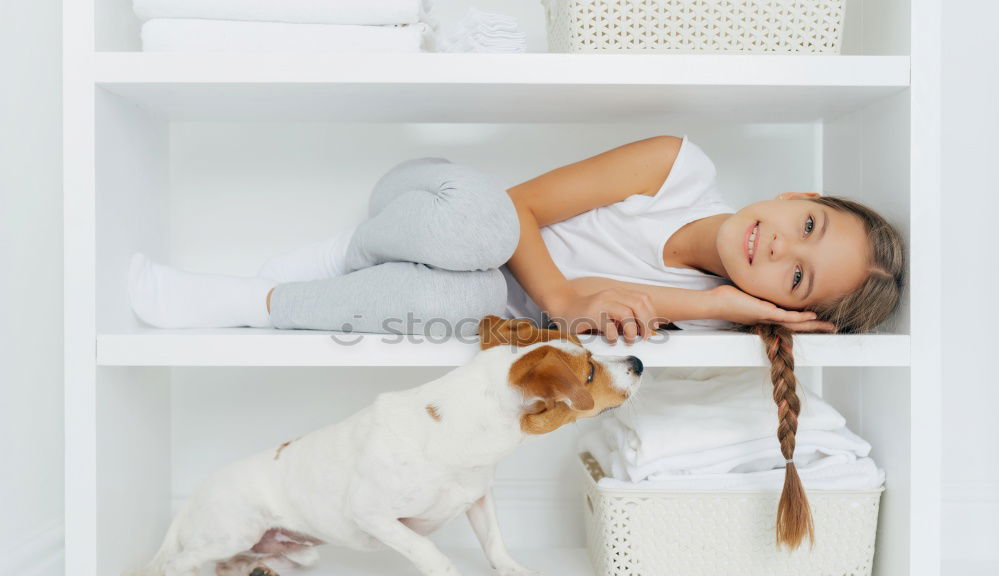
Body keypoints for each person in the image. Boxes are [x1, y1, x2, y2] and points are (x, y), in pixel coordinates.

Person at [127, 135, 903, 344]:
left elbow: (581, 313)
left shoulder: (702, 304)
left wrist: (725, 310)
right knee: (482, 230)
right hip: (433, 204)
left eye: (796, 280)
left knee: (464, 304)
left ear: (782, 307)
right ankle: (349, 254)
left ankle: (255, 302)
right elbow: (518, 207)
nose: (780, 249)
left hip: (443, 282)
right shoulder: (676, 169)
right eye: (808, 226)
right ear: (799, 194)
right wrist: (561, 295)